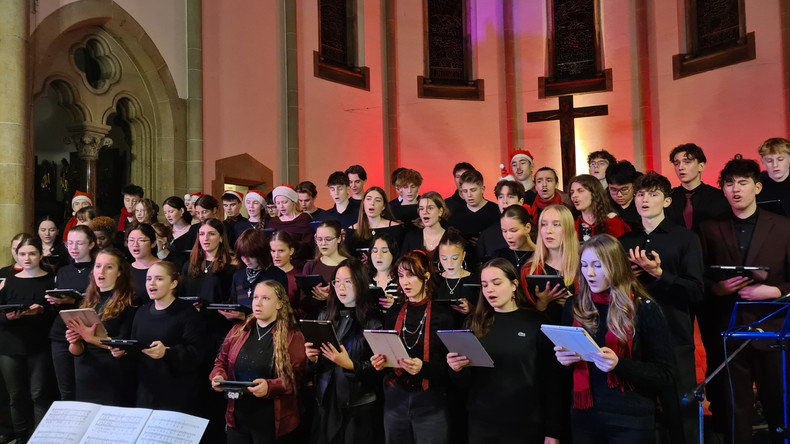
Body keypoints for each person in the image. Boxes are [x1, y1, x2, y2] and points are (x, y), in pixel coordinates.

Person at [697, 157, 790, 443]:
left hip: (772, 329)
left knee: (779, 407)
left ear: (757, 187)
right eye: (729, 183)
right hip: (728, 331)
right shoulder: (709, 228)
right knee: (736, 411)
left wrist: (775, 292)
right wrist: (718, 289)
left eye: (743, 182)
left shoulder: (784, 226)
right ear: (723, 189)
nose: (735, 189)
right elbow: (700, 278)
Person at [555, 234, 673, 443]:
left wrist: (619, 365)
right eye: (583, 265)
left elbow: (665, 375)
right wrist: (564, 362)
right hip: (585, 416)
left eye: (597, 265)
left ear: (616, 267)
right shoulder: (574, 306)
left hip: (631, 420)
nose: (589, 273)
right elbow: (562, 376)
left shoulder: (643, 309)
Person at [618, 171, 704, 444]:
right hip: (635, 336)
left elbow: (696, 291)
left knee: (680, 412)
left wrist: (659, 274)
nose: (645, 199)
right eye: (641, 194)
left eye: (653, 194)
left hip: (674, 335)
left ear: (667, 201)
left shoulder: (685, 238)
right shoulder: (625, 241)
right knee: (637, 411)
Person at [446, 259, 562, 443]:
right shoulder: (474, 323)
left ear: (514, 285)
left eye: (497, 283)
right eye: (484, 285)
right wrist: (456, 370)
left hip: (526, 423)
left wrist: (553, 431)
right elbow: (464, 383)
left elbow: (552, 381)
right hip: (482, 423)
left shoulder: (535, 322)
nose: (489, 289)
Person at [370, 251, 455, 444]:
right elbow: (387, 354)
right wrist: (380, 362)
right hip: (395, 398)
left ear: (425, 276)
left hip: (431, 401)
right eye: (400, 276)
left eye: (411, 275)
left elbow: (451, 367)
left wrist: (423, 368)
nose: (405, 282)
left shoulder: (443, 316)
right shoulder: (393, 312)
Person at [210, 280, 307, 443]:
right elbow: (221, 362)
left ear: (279, 304)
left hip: (271, 420)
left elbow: (296, 378)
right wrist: (218, 376)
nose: (258, 303)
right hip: (238, 418)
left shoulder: (292, 336)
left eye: (266, 299)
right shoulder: (239, 330)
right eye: (255, 297)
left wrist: (270, 386)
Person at [305, 258, 384, 444]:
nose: (341, 287)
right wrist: (312, 359)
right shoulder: (325, 316)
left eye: (347, 282)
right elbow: (312, 370)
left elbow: (380, 369)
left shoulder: (373, 321)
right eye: (337, 282)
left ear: (360, 283)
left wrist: (350, 365)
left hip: (357, 404)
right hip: (325, 400)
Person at [128, 262, 206, 413]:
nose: (151, 283)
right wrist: (123, 352)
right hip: (146, 393)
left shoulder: (187, 313)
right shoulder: (141, 313)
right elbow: (135, 348)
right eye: (148, 278)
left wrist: (167, 352)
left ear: (173, 283)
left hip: (177, 396)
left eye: (158, 279)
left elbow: (196, 354)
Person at [0, 237, 56, 442]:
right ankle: (22, 437)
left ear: (40, 255)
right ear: (16, 255)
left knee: (39, 393)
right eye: (22, 254)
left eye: (32, 253)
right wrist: (7, 316)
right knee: (16, 396)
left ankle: (39, 438)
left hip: (39, 344)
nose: (27, 258)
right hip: (10, 344)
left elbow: (57, 313)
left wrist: (42, 310)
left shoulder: (51, 279)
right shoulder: (9, 281)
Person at [66, 248, 137, 406]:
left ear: (120, 272)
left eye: (109, 267)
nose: (101, 271)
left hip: (113, 375)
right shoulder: (87, 301)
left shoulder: (131, 303)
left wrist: (90, 337)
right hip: (86, 374)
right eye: (98, 266)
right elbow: (77, 352)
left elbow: (124, 344)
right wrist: (74, 340)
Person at [48, 225, 96, 402]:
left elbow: (100, 301)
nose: (73, 248)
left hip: (89, 333)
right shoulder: (63, 271)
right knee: (66, 390)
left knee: (87, 388)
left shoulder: (97, 269)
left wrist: (73, 301)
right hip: (62, 333)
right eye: (70, 243)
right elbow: (56, 310)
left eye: (79, 243)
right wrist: (54, 301)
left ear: (91, 244)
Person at [180, 218, 236, 350]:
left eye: (211, 234)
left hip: (218, 328)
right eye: (202, 234)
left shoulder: (231, 267)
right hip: (193, 326)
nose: (206, 238)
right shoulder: (189, 265)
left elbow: (231, 299)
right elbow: (182, 294)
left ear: (221, 238)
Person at [522, 205, 577, 320]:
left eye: (556, 225)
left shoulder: (584, 267)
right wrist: (542, 304)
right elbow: (526, 320)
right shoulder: (529, 269)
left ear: (568, 229)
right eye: (544, 224)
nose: (548, 231)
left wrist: (573, 304)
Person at [665, 143, 730, 233]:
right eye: (676, 164)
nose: (680, 167)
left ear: (701, 166)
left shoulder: (719, 197)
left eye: (687, 162)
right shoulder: (668, 199)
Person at [302, 221, 352, 320]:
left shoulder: (351, 265)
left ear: (339, 239)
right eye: (319, 239)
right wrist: (317, 296)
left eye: (328, 239)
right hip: (315, 321)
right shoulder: (310, 266)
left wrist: (331, 297)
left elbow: (358, 300)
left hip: (343, 321)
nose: (323, 243)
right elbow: (303, 302)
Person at [446, 170, 499, 259]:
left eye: (473, 190)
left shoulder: (496, 211)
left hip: (492, 260)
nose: (469, 195)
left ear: (482, 189)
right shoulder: (456, 214)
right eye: (465, 191)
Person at [233, 229, 289, 311]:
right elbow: (233, 304)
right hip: (241, 323)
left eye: (251, 256)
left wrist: (246, 316)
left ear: (261, 252)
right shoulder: (238, 276)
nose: (246, 260)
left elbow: (282, 309)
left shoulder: (277, 275)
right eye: (243, 256)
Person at [568, 174, 630, 243]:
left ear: (594, 193)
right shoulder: (571, 226)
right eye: (572, 192)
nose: (574, 195)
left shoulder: (613, 224)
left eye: (580, 191)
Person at [477, 180, 526, 264]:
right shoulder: (487, 235)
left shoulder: (533, 231)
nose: (504, 201)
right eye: (501, 197)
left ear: (520, 201)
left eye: (510, 196)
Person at [434, 229, 478, 316]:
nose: (449, 263)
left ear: (463, 255)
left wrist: (472, 309)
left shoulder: (475, 281)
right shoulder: (435, 281)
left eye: (454, 258)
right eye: (444, 258)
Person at [348, 187, 403, 256]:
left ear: (384, 206)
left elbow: (398, 256)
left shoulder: (395, 228)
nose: (372, 203)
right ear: (363, 204)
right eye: (368, 199)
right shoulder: (352, 230)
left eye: (377, 200)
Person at [401, 191, 449, 268]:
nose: (424, 212)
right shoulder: (411, 237)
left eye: (430, 208)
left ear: (440, 211)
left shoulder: (451, 238)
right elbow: (403, 266)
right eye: (421, 209)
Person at [267, 185, 314, 263]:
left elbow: (309, 246)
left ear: (293, 202)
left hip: (298, 262)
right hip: (277, 263)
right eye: (278, 203)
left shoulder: (304, 219)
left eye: (284, 202)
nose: (281, 206)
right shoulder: (273, 222)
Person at [492, 204, 535, 272]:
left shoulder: (542, 255)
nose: (508, 236)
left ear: (527, 228)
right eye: (504, 231)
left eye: (513, 230)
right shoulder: (498, 256)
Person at [271, 231, 304, 318]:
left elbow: (303, 310)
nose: (276, 256)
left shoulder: (298, 277)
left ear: (291, 251)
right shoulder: (265, 275)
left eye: (281, 251)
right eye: (273, 251)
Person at [127, 224, 161, 306]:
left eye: (141, 240)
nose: (135, 244)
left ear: (153, 243)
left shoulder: (163, 268)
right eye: (131, 240)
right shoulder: (125, 269)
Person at [757, 137, 790, 216]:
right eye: (769, 161)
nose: (775, 165)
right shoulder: (757, 183)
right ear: (762, 162)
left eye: (780, 159)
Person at [605, 160, 642, 231]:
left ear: (633, 185)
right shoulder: (604, 204)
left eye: (624, 189)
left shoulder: (642, 203)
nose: (619, 194)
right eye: (613, 190)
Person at [368, 233, 400, 313]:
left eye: (384, 251)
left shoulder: (401, 281)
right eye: (374, 251)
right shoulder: (364, 281)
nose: (378, 255)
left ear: (393, 254)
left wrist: (394, 306)